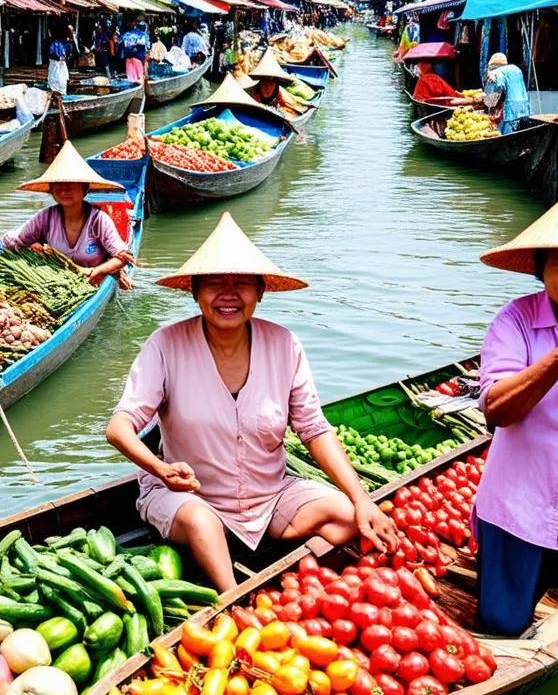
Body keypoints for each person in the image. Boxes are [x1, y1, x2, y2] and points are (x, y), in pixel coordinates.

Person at [105, 213, 399, 591]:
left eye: (242, 283)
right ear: (195, 291)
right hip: (187, 497)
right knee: (201, 521)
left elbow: (313, 428)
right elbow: (118, 428)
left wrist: (361, 500)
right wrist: (160, 470)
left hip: (268, 495)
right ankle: (235, 599)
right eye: (213, 283)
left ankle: (288, 579)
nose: (228, 294)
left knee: (344, 516)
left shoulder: (284, 344)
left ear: (260, 291)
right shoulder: (165, 345)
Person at [473, 175, 558, 635]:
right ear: (541, 270)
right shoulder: (516, 321)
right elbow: (496, 409)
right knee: (502, 626)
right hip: (518, 511)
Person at [1, 141, 136, 287]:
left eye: (72, 184)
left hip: (91, 282)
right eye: (58, 184)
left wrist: (100, 270)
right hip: (56, 283)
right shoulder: (45, 218)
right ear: (51, 190)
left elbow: (123, 256)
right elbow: (13, 243)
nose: (64, 190)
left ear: (85, 189)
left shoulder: (98, 220)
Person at [483, 52, 531, 134]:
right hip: (524, 110)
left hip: (510, 114)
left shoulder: (495, 73)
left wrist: (486, 106)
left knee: (506, 138)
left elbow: (491, 99)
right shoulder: (516, 69)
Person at [47, 29, 70, 95]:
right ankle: (56, 93)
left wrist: (63, 58)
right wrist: (60, 58)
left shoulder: (60, 44)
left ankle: (59, 92)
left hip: (59, 64)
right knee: (56, 79)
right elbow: (52, 55)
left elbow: (64, 54)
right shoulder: (54, 44)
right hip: (55, 64)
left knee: (60, 80)